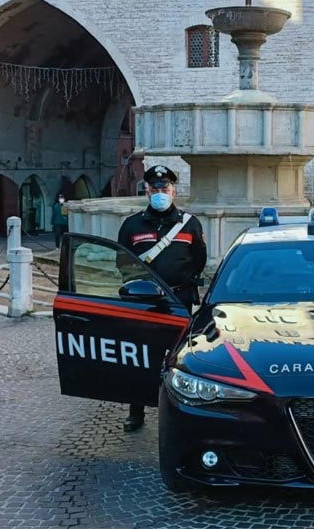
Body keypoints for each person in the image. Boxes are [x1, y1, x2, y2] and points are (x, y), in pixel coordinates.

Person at [116, 164, 207, 432]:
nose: (160, 192)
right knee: (140, 357)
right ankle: (136, 411)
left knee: (179, 358)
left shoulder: (189, 223)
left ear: (173, 191)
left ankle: (182, 411)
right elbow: (122, 261)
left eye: (164, 188)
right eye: (155, 188)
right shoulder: (132, 225)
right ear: (147, 191)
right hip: (142, 302)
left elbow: (199, 259)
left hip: (179, 300)